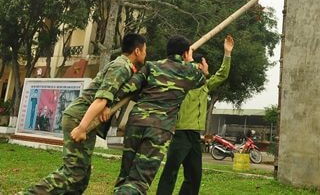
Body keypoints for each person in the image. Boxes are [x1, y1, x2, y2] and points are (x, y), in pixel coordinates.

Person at [20, 33, 147, 195]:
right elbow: (101, 99)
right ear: (137, 50)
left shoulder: (126, 68)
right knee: (73, 173)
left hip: (81, 118)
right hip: (79, 119)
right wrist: (82, 127)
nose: (145, 54)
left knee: (81, 179)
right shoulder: (121, 67)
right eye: (145, 50)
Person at [113, 35, 209, 195]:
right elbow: (202, 78)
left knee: (126, 175)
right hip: (159, 129)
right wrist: (191, 60)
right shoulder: (189, 71)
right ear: (186, 53)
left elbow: (128, 88)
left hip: (136, 122)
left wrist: (108, 107)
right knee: (138, 181)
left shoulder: (151, 66)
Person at [157, 34, 235, 195]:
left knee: (194, 176)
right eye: (205, 65)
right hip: (180, 134)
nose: (207, 68)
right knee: (170, 172)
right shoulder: (184, 83)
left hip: (194, 136)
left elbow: (222, 75)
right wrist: (189, 60)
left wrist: (227, 53)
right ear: (199, 66)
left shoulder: (205, 87)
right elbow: (185, 70)